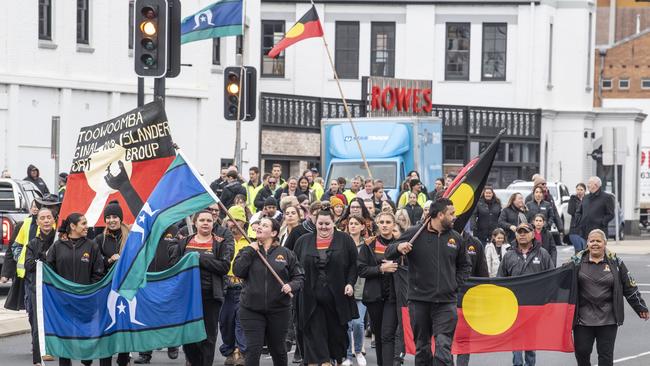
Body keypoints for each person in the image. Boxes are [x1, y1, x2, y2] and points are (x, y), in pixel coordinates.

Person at [386, 198, 471, 366]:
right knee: (423, 349)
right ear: (439, 215)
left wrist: (454, 285)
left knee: (443, 347)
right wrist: (398, 247)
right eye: (451, 213)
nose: (455, 216)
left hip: (446, 303)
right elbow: (389, 252)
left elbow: (465, 266)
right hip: (419, 302)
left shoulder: (456, 238)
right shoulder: (414, 233)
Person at [569, 229, 649, 366]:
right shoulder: (576, 262)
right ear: (587, 243)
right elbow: (560, 283)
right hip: (582, 320)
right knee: (581, 353)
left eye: (598, 241)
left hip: (608, 319)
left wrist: (640, 306)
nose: (595, 244)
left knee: (606, 357)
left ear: (605, 243)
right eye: (592, 241)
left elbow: (630, 286)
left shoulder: (616, 262)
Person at [233, 217, 304, 366]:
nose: (259, 227)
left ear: (274, 233)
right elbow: (238, 271)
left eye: (264, 226)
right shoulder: (247, 251)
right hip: (251, 309)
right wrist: (251, 251)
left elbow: (299, 277)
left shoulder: (286, 253)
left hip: (279, 310)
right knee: (253, 350)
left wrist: (291, 285)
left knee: (278, 350)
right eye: (258, 225)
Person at [294, 207, 359, 365]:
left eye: (327, 224)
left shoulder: (345, 240)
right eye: (320, 224)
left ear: (334, 222)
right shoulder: (303, 241)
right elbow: (294, 265)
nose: (323, 227)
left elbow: (354, 265)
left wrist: (350, 283)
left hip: (337, 298)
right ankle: (322, 362)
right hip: (310, 298)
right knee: (314, 331)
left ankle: (334, 359)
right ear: (315, 223)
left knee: (336, 334)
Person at [174, 210, 234, 366]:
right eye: (202, 220)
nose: (206, 223)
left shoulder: (220, 243)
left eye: (209, 220)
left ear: (213, 223)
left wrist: (199, 258)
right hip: (187, 297)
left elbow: (224, 266)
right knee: (188, 335)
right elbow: (175, 264)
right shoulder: (185, 242)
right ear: (195, 223)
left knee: (208, 337)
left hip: (210, 297)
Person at [47, 213, 104, 366]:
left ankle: (86, 357)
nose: (87, 227)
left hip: (85, 300)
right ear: (73, 226)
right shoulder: (57, 246)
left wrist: (89, 291)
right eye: (83, 224)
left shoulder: (92, 246)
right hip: (64, 301)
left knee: (85, 333)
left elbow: (98, 271)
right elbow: (49, 271)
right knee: (65, 335)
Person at [497, 223, 553, 366]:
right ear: (515, 235)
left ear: (533, 234)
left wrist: (548, 303)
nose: (522, 234)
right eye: (519, 232)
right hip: (514, 307)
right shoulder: (508, 255)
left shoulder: (543, 254)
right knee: (516, 341)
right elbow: (499, 281)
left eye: (525, 232)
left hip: (534, 307)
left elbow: (552, 279)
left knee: (530, 343)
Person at [134, 225, 181, 364]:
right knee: (146, 317)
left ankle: (173, 344)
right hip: (147, 280)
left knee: (169, 313)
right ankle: (145, 353)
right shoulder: (145, 228)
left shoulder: (174, 230)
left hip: (169, 280)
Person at [358, 212, 400, 366]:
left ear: (394, 224)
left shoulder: (400, 243)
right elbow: (361, 270)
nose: (384, 225)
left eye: (388, 222)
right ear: (377, 224)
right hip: (374, 296)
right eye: (381, 222)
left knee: (388, 334)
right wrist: (381, 269)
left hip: (393, 296)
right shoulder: (369, 244)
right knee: (380, 335)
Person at [94, 201, 131, 366]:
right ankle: (105, 361)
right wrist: (108, 260)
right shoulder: (99, 239)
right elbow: (95, 262)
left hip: (126, 289)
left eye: (115, 216)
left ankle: (124, 358)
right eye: (108, 217)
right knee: (106, 327)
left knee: (124, 326)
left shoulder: (131, 236)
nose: (111, 220)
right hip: (106, 291)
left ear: (120, 218)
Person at [24, 207, 56, 366]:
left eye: (48, 217)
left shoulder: (60, 240)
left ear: (53, 219)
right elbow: (28, 265)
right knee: (37, 324)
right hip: (36, 289)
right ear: (37, 222)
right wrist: (42, 257)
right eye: (42, 218)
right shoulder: (33, 244)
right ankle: (37, 359)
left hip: (56, 290)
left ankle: (59, 351)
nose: (46, 221)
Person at [219, 206, 250, 365]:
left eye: (236, 220)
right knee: (226, 321)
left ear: (243, 222)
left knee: (241, 320)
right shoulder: (222, 238)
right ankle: (229, 350)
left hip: (244, 286)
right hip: (226, 286)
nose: (233, 223)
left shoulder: (250, 240)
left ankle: (240, 353)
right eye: (230, 220)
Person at [456, 230, 489, 366]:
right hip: (444, 299)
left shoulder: (475, 244)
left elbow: (483, 274)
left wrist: (484, 300)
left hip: (468, 302)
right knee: (443, 339)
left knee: (463, 339)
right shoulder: (439, 240)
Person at [343, 215, 369, 366]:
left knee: (358, 323)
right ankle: (347, 356)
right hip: (346, 288)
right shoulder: (342, 243)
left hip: (363, 288)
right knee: (347, 324)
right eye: (350, 223)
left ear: (362, 227)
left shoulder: (366, 245)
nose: (352, 226)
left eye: (356, 223)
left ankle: (358, 351)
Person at [568, 183, 587, 253]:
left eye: (581, 189)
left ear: (585, 191)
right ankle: (577, 263)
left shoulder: (587, 199)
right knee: (578, 250)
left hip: (585, 228)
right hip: (575, 228)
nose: (579, 191)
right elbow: (570, 211)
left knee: (585, 250)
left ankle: (583, 263)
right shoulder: (573, 199)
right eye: (578, 189)